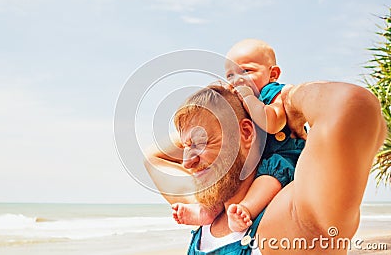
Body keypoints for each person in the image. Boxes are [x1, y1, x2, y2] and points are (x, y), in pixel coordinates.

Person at [144, 82, 386, 254]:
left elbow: (353, 105)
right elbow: (152, 158)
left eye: (200, 142)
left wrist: (287, 101)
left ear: (246, 132)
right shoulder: (206, 215)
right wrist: (208, 111)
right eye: (185, 146)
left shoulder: (289, 219)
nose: (186, 162)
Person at [171, 39, 306, 232]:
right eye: (230, 75)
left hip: (282, 155)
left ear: (273, 74)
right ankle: (206, 213)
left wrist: (250, 100)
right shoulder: (241, 99)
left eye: (247, 71)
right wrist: (203, 124)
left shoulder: (272, 93)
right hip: (257, 159)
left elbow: (273, 123)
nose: (237, 80)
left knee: (269, 177)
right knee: (218, 184)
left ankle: (246, 209)